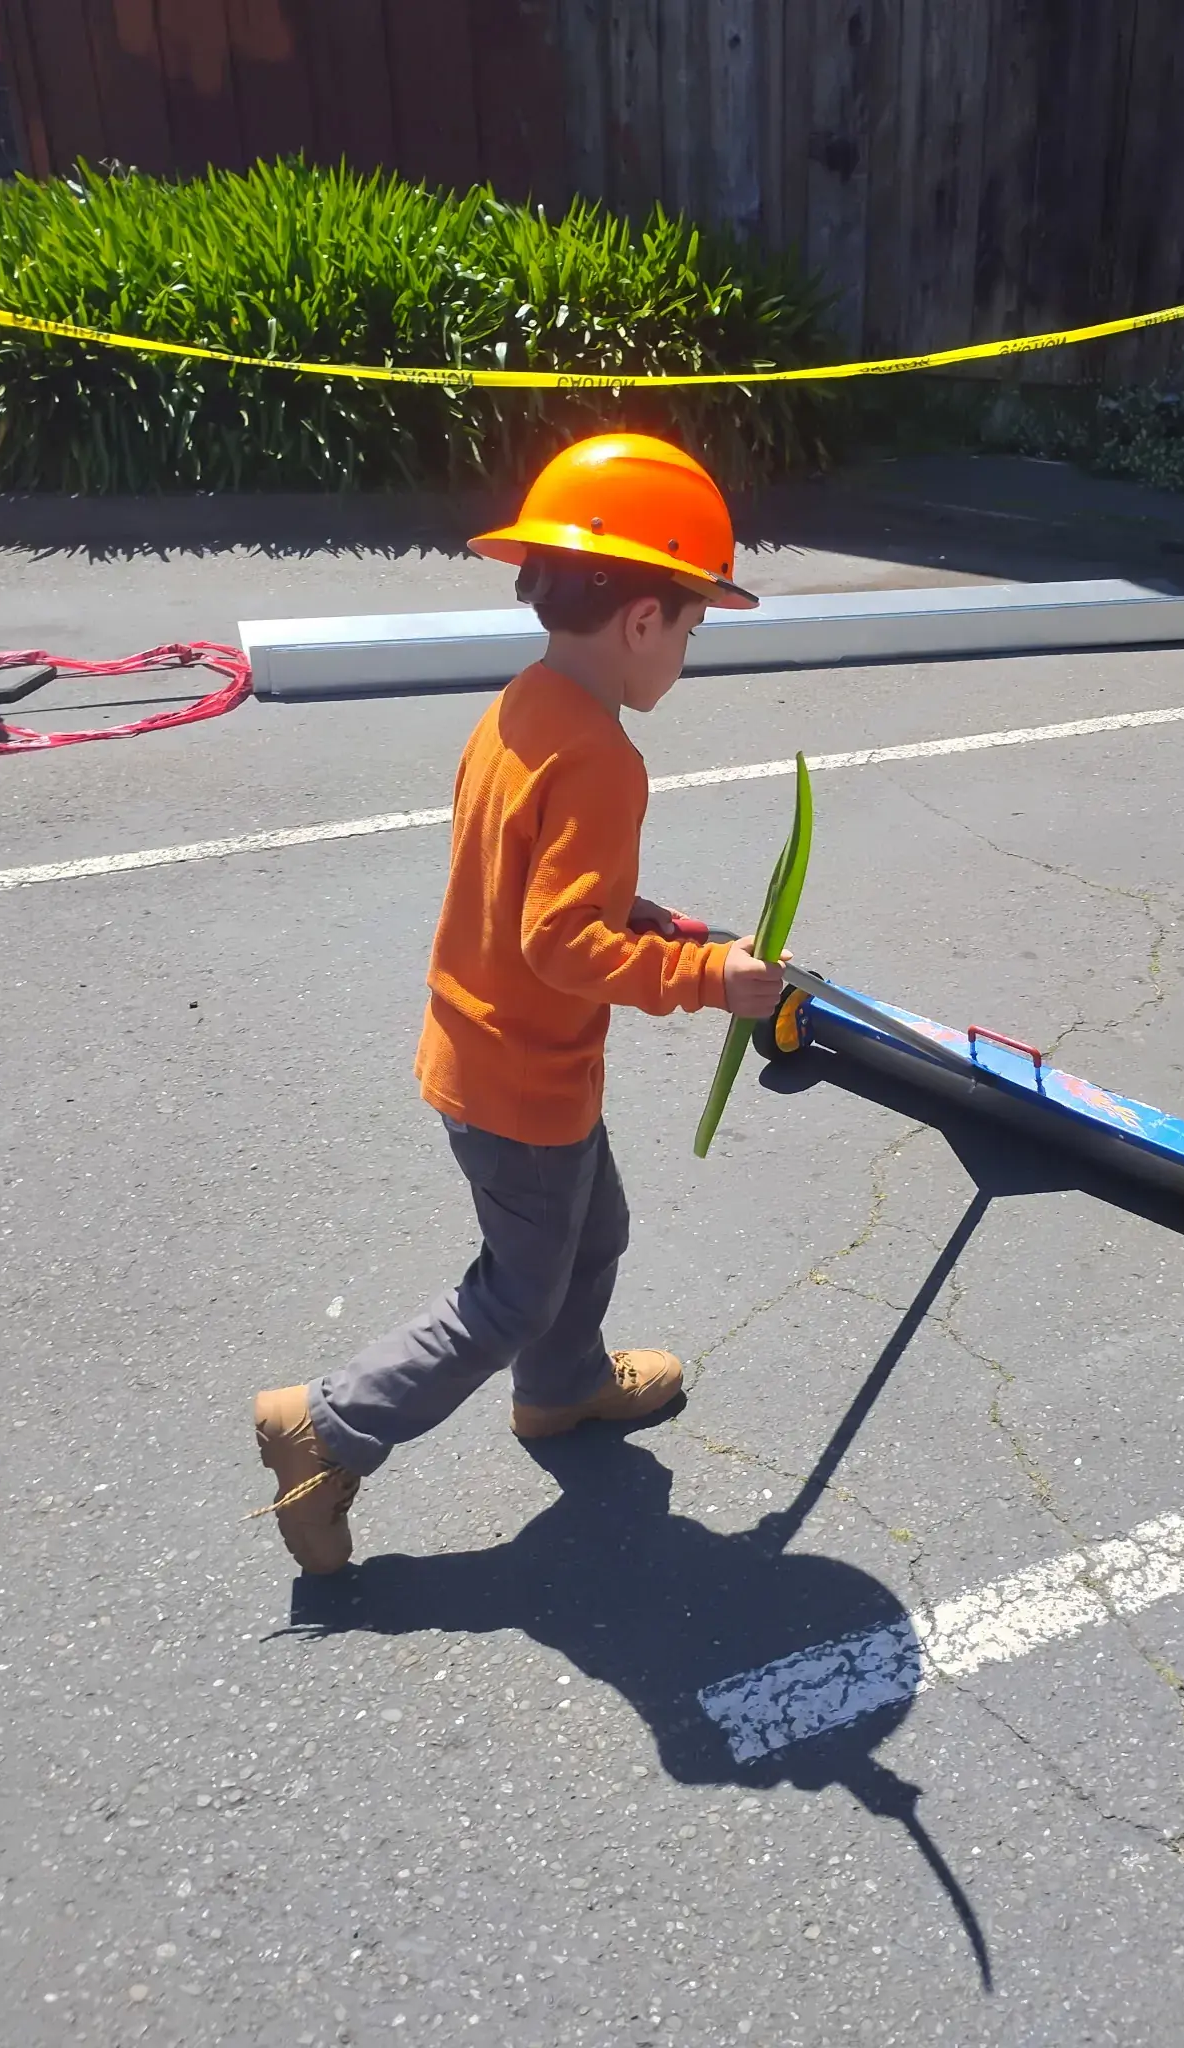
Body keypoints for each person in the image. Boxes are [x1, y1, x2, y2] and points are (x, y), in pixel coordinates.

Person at [251, 433, 787, 1575]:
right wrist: (709, 979)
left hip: (485, 1054)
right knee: (513, 1294)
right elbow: (559, 941)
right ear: (640, 619)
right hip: (524, 1083)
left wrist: (640, 915)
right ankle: (327, 1425)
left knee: (596, 1231)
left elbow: (528, 883)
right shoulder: (603, 759)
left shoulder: (523, 709)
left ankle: (562, 1388)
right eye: (690, 629)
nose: (687, 653)